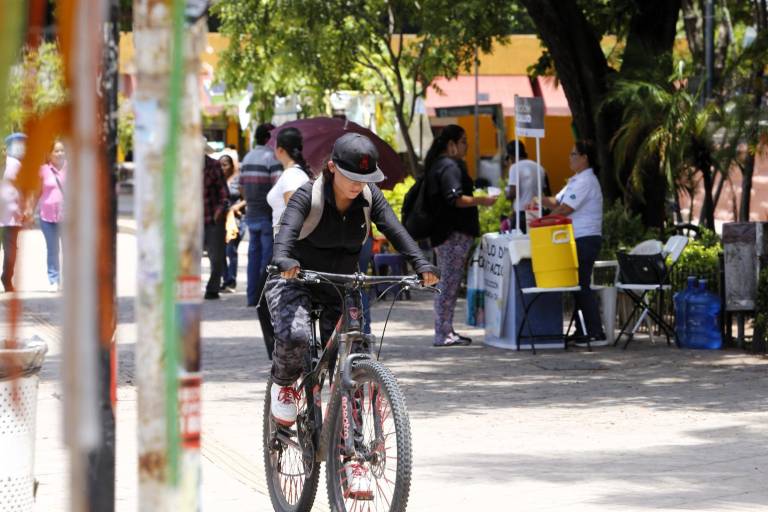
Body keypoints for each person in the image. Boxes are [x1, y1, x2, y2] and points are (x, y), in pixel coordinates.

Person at [266, 133, 438, 497]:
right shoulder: (307, 195)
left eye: (367, 180)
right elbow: (286, 234)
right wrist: (284, 259)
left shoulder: (368, 197)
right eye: (353, 179)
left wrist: (421, 264)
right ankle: (285, 386)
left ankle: (354, 460)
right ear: (331, 168)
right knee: (296, 335)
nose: (360, 186)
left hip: (341, 285)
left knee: (356, 365)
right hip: (295, 277)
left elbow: (394, 228)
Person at [426, 125, 496, 347]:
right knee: (448, 283)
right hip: (452, 234)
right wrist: (482, 200)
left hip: (447, 234)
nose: (467, 146)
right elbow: (455, 198)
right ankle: (443, 332)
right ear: (451, 145)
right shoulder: (449, 166)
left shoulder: (441, 165)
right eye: (464, 141)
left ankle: (446, 329)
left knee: (448, 283)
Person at [532, 140, 605, 345]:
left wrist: (545, 221)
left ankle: (594, 331)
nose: (570, 158)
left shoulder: (586, 181)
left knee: (581, 284)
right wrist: (539, 199)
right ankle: (582, 330)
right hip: (576, 238)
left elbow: (565, 209)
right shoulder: (576, 180)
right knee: (577, 285)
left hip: (585, 237)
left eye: (574, 155)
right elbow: (558, 202)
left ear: (584, 158)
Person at [240, 123, 280, 307]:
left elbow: (241, 186)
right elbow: (278, 188)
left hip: (251, 214)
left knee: (252, 257)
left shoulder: (247, 157)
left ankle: (251, 297)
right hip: (266, 215)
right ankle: (262, 299)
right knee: (266, 259)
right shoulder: (271, 158)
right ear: (269, 138)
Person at [266, 127, 313, 230]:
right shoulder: (293, 173)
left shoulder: (291, 175)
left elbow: (293, 216)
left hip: (288, 241)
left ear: (280, 150)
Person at [36, 140, 67, 292]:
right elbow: (36, 192)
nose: (60, 153)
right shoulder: (43, 170)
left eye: (62, 150)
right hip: (47, 216)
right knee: (53, 249)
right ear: (49, 154)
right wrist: (28, 210)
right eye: (56, 151)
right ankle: (54, 279)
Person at [0, 133, 27, 292]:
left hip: (11, 216)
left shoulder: (15, 164)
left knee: (10, 253)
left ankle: (6, 278)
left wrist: (24, 209)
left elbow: (24, 188)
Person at [505, 140, 549, 233]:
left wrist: (506, 194)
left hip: (521, 214)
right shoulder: (540, 167)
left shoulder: (514, 167)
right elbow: (548, 193)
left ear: (511, 156)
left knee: (519, 244)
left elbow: (513, 193)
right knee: (534, 242)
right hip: (538, 212)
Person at [202, 150, 229, 300]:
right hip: (190, 219)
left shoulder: (213, 165)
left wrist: (219, 212)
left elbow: (224, 193)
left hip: (212, 218)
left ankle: (212, 289)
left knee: (217, 256)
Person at [219, 154, 242, 292]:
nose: (222, 168)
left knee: (231, 250)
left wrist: (237, 207)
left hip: (236, 220)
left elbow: (247, 198)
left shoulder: (238, 180)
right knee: (219, 251)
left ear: (232, 165)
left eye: (225, 164)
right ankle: (225, 279)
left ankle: (231, 280)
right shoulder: (218, 180)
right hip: (221, 219)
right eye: (220, 165)